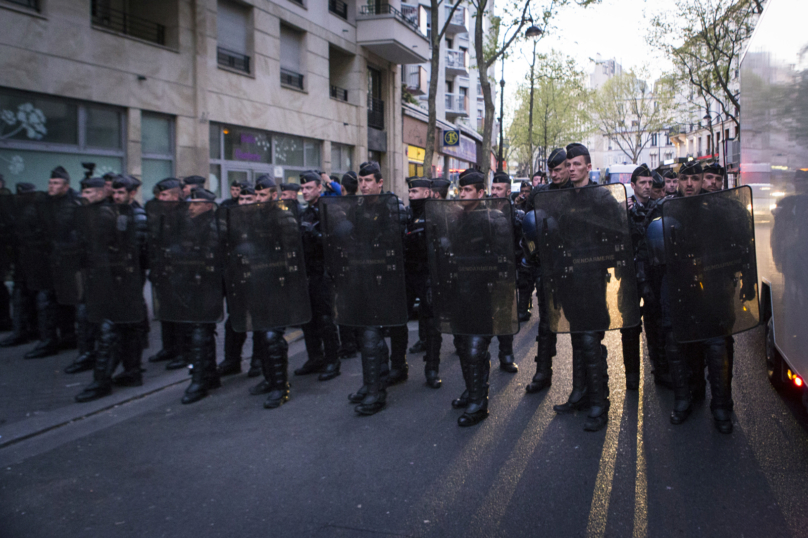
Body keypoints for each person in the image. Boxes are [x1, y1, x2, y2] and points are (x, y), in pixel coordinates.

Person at [75, 179, 148, 402]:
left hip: (124, 279)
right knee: (127, 328)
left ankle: (102, 380)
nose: (116, 196)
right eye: (114, 192)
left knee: (111, 329)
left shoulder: (135, 216)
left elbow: (134, 250)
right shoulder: (113, 212)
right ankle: (131, 371)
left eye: (121, 192)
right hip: (113, 277)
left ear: (132, 193)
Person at [344, 161, 408, 414]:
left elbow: (395, 241)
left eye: (368, 181)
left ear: (380, 182)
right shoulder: (356, 207)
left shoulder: (392, 206)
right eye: (360, 181)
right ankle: (373, 382)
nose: (363, 185)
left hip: (386, 278)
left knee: (374, 334)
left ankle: (376, 391)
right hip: (363, 277)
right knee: (366, 333)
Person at [522, 148, 569, 394]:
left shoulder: (577, 191)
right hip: (546, 265)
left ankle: (582, 384)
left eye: (558, 169)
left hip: (572, 265)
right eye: (551, 170)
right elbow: (527, 230)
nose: (554, 174)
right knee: (547, 322)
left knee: (581, 325)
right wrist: (531, 259)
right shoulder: (540, 193)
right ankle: (543, 372)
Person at [24, 166, 80, 359]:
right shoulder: (42, 202)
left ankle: (67, 336)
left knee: (66, 301)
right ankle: (48, 340)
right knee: (46, 300)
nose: (51, 186)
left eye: (56, 183)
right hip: (48, 259)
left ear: (65, 186)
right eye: (50, 182)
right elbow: (31, 224)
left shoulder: (76, 202)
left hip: (69, 260)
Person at [295, 171, 341, 381]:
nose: (304, 191)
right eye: (302, 188)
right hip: (308, 272)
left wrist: (316, 235)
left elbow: (337, 240)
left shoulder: (328, 210)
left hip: (324, 271)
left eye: (309, 188)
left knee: (325, 318)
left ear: (319, 188)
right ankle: (315, 357)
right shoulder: (304, 212)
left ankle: (332, 360)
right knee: (308, 318)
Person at [403, 177, 442, 388]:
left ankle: (432, 368)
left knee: (431, 322)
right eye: (410, 192)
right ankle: (397, 366)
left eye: (415, 192)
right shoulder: (406, 214)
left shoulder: (435, 213)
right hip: (408, 272)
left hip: (428, 273)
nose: (411, 195)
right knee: (400, 318)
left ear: (427, 193)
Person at [146, 178, 188, 370]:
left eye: (164, 195)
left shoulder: (185, 213)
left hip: (179, 271)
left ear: (175, 195)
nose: (160, 198)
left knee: (180, 312)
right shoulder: (159, 213)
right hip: (161, 268)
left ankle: (182, 352)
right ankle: (168, 347)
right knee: (165, 310)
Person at [489, 171, 523, 372]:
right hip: (487, 271)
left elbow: (521, 246)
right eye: (493, 188)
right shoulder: (483, 211)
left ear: (508, 191)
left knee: (505, 314)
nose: (494, 192)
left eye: (498, 189)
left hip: (506, 273)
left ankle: (506, 355)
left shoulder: (516, 215)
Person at [0, 183, 38, 348]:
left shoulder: (31, 211)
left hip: (31, 256)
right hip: (22, 255)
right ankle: (25, 329)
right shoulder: (18, 209)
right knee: (23, 293)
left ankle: (24, 330)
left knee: (26, 294)